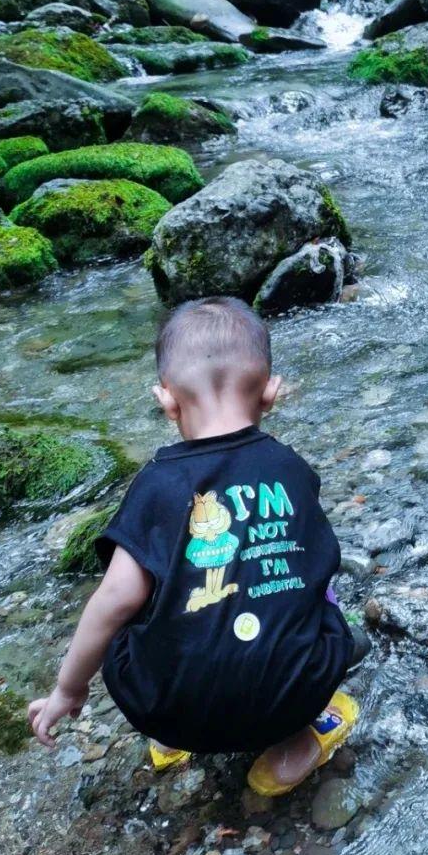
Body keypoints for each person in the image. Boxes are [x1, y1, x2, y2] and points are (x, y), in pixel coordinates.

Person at [28, 297, 360, 796]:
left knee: (132, 603)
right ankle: (296, 741)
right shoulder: (292, 470)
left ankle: (172, 740)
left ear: (166, 401)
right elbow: (315, 567)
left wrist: (68, 689)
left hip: (170, 713)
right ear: (270, 394)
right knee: (313, 594)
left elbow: (113, 602)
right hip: (290, 697)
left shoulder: (157, 485)